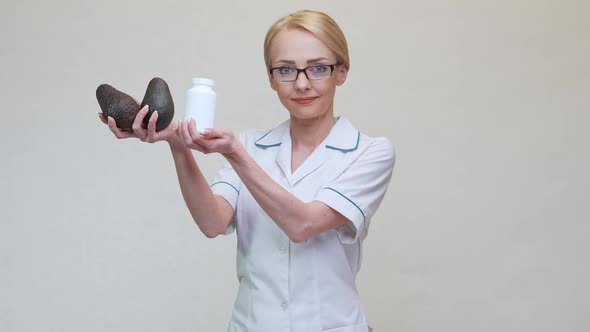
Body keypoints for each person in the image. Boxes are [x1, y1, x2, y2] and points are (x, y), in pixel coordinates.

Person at [99, 9, 395, 332]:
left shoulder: (369, 153)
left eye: (318, 68)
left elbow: (304, 223)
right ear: (270, 78)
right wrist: (175, 141)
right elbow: (213, 222)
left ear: (342, 72)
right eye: (285, 70)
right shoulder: (253, 146)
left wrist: (236, 154)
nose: (302, 83)